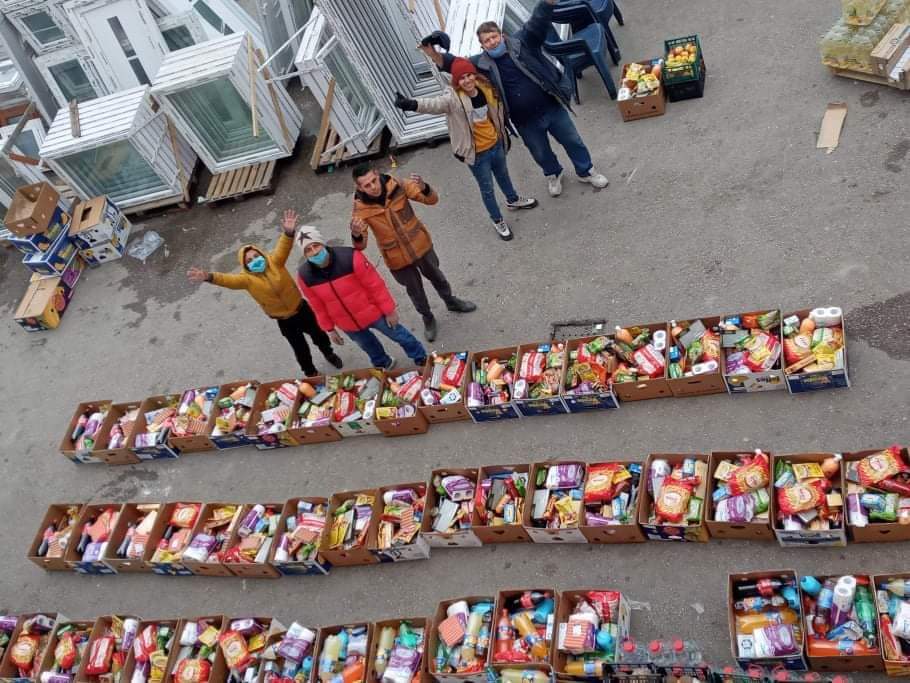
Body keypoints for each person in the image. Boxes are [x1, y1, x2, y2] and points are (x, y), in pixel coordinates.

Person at [419, 0, 609, 198]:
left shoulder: (523, 43)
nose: (492, 42)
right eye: (487, 40)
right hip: (524, 121)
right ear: (482, 45)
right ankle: (554, 173)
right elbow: (455, 64)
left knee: (573, 140)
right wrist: (433, 54)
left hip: (551, 107)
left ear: (502, 35)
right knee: (540, 153)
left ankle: (586, 171)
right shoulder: (480, 64)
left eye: (494, 37)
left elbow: (536, 23)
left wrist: (547, 4)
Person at [393, 57, 537, 241]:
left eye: (469, 75)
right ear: (456, 82)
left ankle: (513, 199)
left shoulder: (486, 89)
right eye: (462, 78)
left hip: (495, 145)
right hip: (477, 155)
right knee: (487, 189)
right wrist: (410, 104)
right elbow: (435, 104)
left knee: (504, 175)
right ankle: (497, 220)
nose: (467, 81)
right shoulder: (453, 99)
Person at [187, 210, 342, 377]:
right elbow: (226, 280)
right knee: (300, 349)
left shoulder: (275, 261)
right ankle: (310, 373)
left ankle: (329, 354)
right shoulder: (245, 280)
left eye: (256, 256)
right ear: (245, 266)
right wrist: (208, 277)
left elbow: (284, 246)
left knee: (319, 336)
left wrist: (288, 232)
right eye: (249, 261)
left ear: (262, 254)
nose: (254, 260)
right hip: (285, 321)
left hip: (302, 310)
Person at [349, 163, 476, 342]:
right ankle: (428, 318)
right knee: (415, 292)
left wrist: (424, 188)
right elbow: (360, 246)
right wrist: (356, 234)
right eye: (367, 185)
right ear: (359, 187)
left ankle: (451, 301)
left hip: (421, 246)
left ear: (378, 175)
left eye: (374, 181)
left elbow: (432, 200)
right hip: (397, 259)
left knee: (438, 277)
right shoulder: (360, 210)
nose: (373, 187)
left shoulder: (398, 185)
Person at [294, 228, 427, 371]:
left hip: (373, 312)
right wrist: (330, 329)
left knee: (400, 336)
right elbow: (317, 305)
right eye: (308, 250)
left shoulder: (350, 257)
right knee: (368, 347)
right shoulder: (304, 276)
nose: (314, 252)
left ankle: (421, 357)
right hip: (347, 323)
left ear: (323, 244)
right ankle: (383, 363)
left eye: (316, 245)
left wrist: (389, 311)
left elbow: (375, 285)